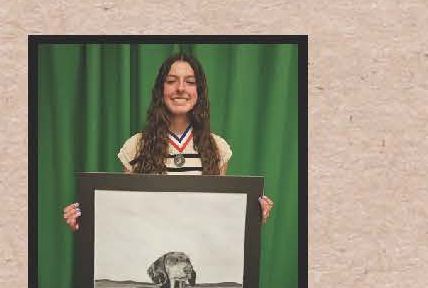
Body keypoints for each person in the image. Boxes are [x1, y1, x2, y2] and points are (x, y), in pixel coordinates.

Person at [62, 53, 273, 232]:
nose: (180, 88)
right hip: (148, 249)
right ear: (160, 90)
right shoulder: (135, 146)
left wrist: (253, 217)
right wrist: (85, 220)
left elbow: (219, 217)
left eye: (190, 82)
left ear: (198, 92)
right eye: (171, 81)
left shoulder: (218, 148)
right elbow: (125, 215)